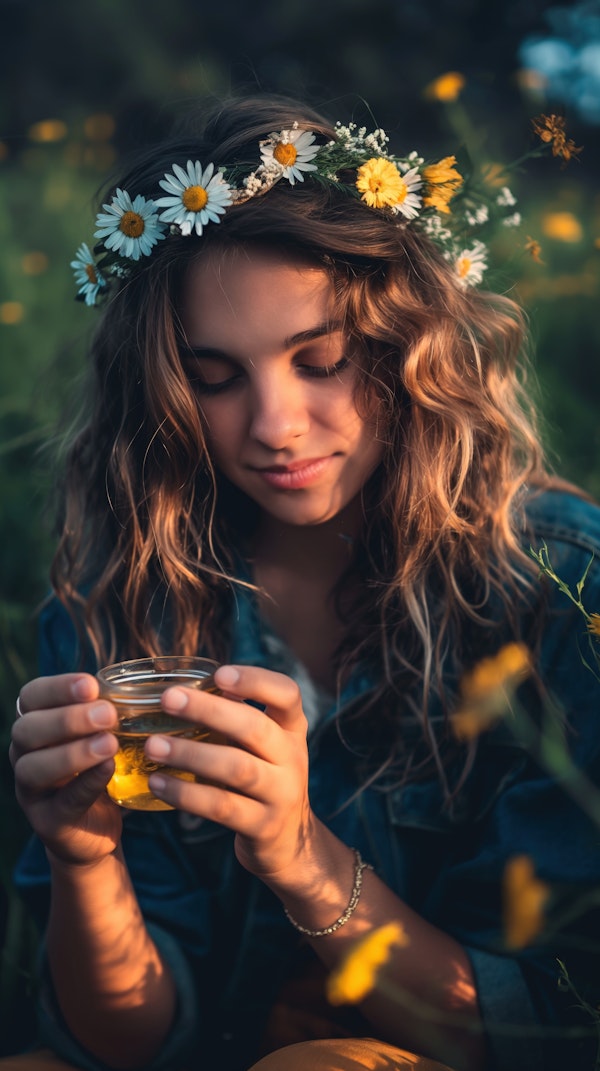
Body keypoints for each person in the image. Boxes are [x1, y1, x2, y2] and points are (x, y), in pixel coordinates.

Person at [7, 94, 600, 1071]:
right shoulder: (123, 595)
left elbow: (552, 1027)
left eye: (319, 359)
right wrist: (83, 854)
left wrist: (298, 856)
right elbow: (126, 1043)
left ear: (408, 346)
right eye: (216, 376)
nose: (275, 424)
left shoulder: (557, 589)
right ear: (163, 388)